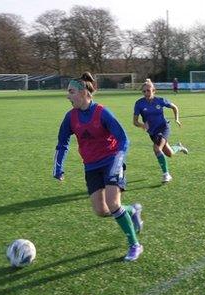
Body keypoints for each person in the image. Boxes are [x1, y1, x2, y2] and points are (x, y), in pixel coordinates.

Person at [53, 72, 144, 261]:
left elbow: (124, 140)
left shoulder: (102, 112)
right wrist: (58, 167)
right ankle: (132, 210)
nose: (67, 96)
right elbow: (62, 142)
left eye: (71, 92)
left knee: (113, 203)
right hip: (91, 166)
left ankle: (134, 244)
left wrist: (118, 161)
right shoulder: (70, 117)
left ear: (84, 93)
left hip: (112, 161)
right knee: (101, 211)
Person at [133, 79, 188, 183]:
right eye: (144, 91)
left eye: (148, 90)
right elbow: (135, 122)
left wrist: (176, 119)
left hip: (163, 127)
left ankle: (166, 174)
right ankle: (179, 146)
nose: (146, 93)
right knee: (169, 153)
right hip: (152, 132)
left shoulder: (160, 100)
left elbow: (174, 107)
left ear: (154, 90)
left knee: (157, 148)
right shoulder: (139, 104)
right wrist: (142, 125)